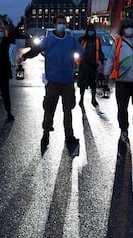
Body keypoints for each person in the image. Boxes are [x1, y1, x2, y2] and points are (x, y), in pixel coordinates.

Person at [19, 14, 85, 150]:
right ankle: (46, 133)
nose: (62, 25)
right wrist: (24, 56)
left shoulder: (71, 40)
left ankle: (69, 135)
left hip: (67, 81)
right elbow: (36, 50)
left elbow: (83, 54)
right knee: (49, 108)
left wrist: (96, 64)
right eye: (59, 22)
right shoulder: (49, 40)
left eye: (63, 23)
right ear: (54, 25)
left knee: (68, 110)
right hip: (53, 81)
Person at [76, 22, 105, 108]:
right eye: (89, 30)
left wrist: (101, 61)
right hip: (83, 64)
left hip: (93, 65)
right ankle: (81, 99)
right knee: (82, 83)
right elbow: (76, 49)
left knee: (93, 83)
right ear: (87, 31)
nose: (91, 32)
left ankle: (93, 99)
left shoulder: (97, 40)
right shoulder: (82, 39)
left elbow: (99, 51)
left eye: (92, 30)